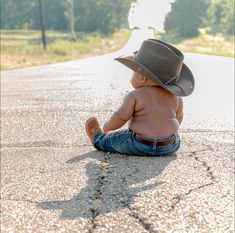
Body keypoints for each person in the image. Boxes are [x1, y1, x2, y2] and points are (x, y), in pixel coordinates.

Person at [85, 39, 195, 156]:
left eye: (133, 73)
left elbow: (121, 117)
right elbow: (179, 117)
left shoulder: (135, 96)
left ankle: (98, 138)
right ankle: (167, 139)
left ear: (142, 78)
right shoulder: (176, 97)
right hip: (169, 146)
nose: (131, 76)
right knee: (174, 135)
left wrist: (108, 126)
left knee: (113, 139)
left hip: (139, 144)